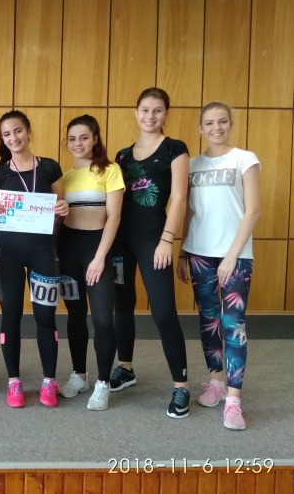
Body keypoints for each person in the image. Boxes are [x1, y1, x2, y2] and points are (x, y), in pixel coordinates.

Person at [177, 102, 260, 430]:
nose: (216, 127)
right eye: (209, 123)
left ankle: (234, 401)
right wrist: (182, 252)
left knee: (232, 324)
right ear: (201, 128)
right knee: (209, 321)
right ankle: (215, 382)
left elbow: (253, 210)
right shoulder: (192, 165)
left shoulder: (244, 159)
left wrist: (231, 255)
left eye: (222, 121)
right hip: (199, 253)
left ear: (230, 124)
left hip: (235, 256)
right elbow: (189, 211)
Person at [111, 87, 191, 419]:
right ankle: (125, 367)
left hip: (154, 241)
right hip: (121, 241)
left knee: (163, 312)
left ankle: (181, 386)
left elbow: (180, 198)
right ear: (136, 112)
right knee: (122, 306)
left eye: (157, 110)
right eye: (145, 110)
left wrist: (167, 240)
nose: (150, 116)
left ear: (166, 114)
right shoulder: (121, 155)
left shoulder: (175, 149)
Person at [0, 110, 69, 408]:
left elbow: (60, 209)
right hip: (7, 253)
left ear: (28, 131)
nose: (13, 138)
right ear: (2, 138)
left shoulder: (49, 167)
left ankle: (49, 381)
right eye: (7, 134)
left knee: (45, 317)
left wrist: (62, 210)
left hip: (43, 252)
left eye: (18, 131)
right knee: (11, 316)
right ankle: (14, 382)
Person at [57, 115, 124, 411]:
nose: (78, 143)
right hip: (68, 249)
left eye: (84, 137)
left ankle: (103, 383)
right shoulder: (65, 177)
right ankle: (79, 375)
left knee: (102, 319)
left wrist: (99, 258)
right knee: (74, 315)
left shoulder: (110, 170)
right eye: (72, 139)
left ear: (95, 139)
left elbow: (114, 217)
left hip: (98, 250)